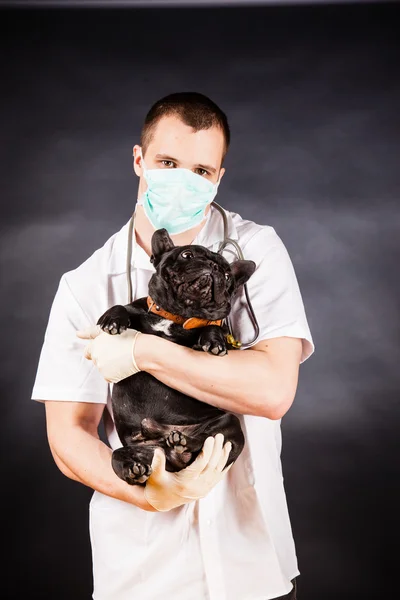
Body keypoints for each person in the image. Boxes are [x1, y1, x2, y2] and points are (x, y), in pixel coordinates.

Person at [31, 91, 314, 600]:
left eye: (202, 170)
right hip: (142, 570)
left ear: (219, 178)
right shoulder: (85, 285)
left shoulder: (257, 250)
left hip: (253, 556)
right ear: (139, 161)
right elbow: (67, 436)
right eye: (167, 162)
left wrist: (145, 351)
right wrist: (148, 494)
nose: (184, 180)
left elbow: (273, 391)